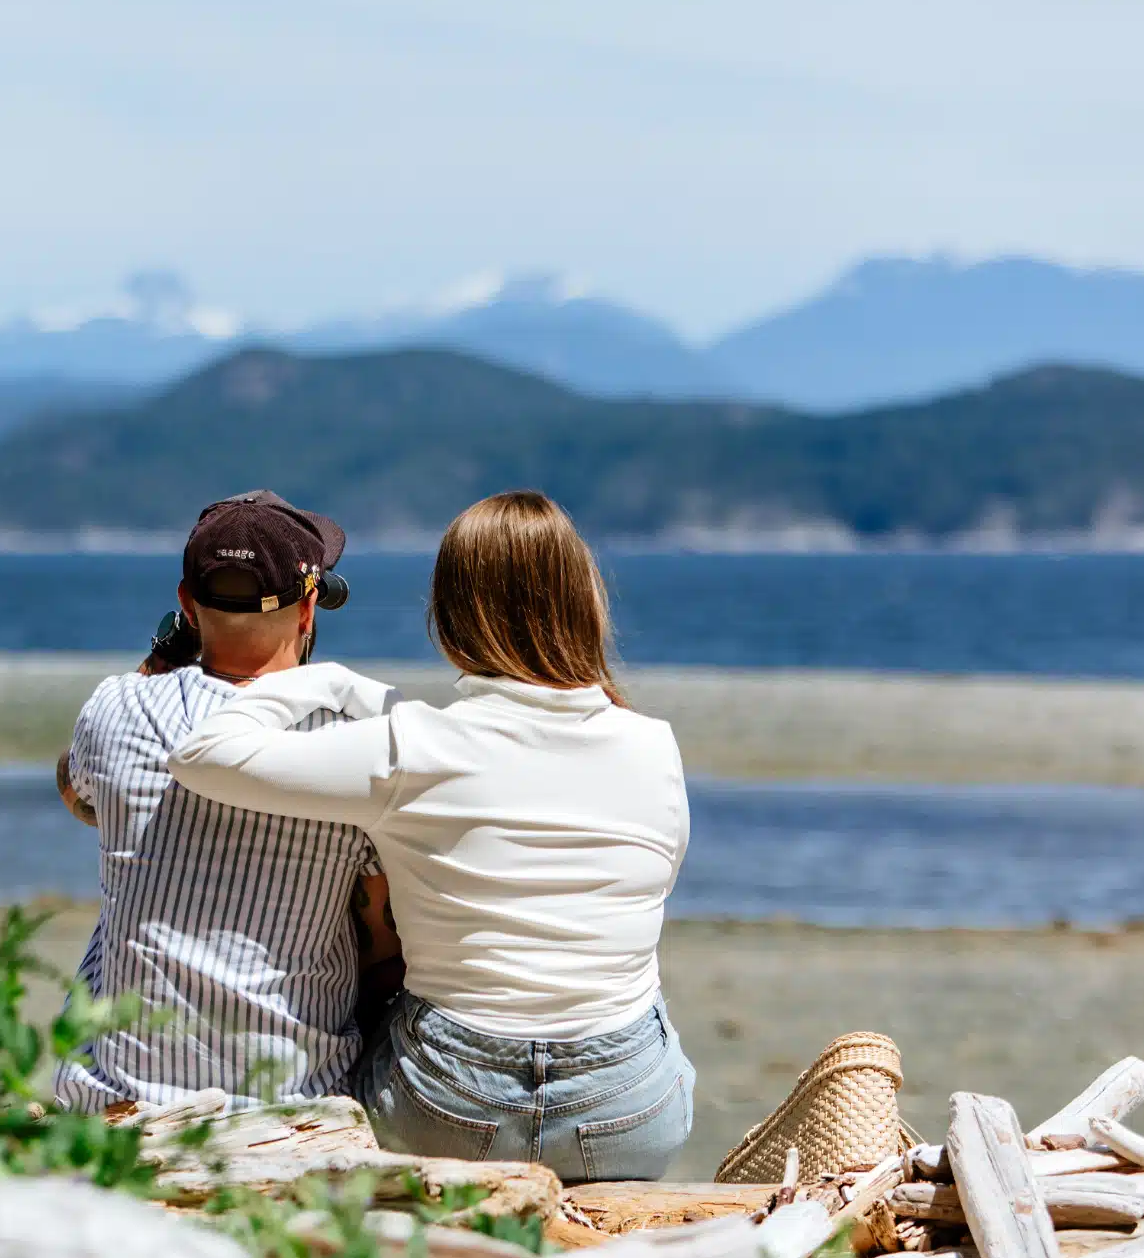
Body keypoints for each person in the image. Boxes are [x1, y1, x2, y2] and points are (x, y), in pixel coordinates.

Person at [166, 490, 693, 1181]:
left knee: (374, 997)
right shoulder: (655, 746)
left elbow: (203, 753)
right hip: (626, 1114)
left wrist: (326, 682)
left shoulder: (414, 744)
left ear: (449, 617)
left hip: (449, 1107)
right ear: (584, 601)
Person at [51, 490, 401, 1113]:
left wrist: (165, 651)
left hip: (120, 1101)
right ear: (310, 606)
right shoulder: (358, 743)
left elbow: (76, 789)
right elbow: (383, 945)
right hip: (294, 1104)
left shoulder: (114, 708)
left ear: (186, 604)